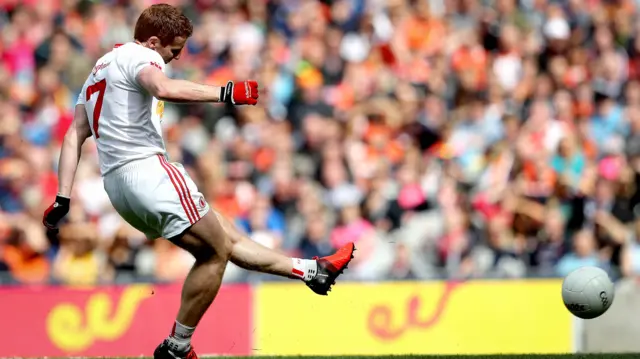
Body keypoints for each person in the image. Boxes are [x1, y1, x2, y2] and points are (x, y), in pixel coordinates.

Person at [41, 4, 355, 359]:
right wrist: (226, 93)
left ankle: (314, 271)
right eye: (174, 50)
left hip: (118, 187)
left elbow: (74, 136)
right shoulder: (141, 56)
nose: (176, 57)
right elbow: (159, 87)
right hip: (148, 171)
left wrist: (62, 197)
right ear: (155, 42)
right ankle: (178, 345)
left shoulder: (100, 68)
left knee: (223, 233)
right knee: (214, 252)